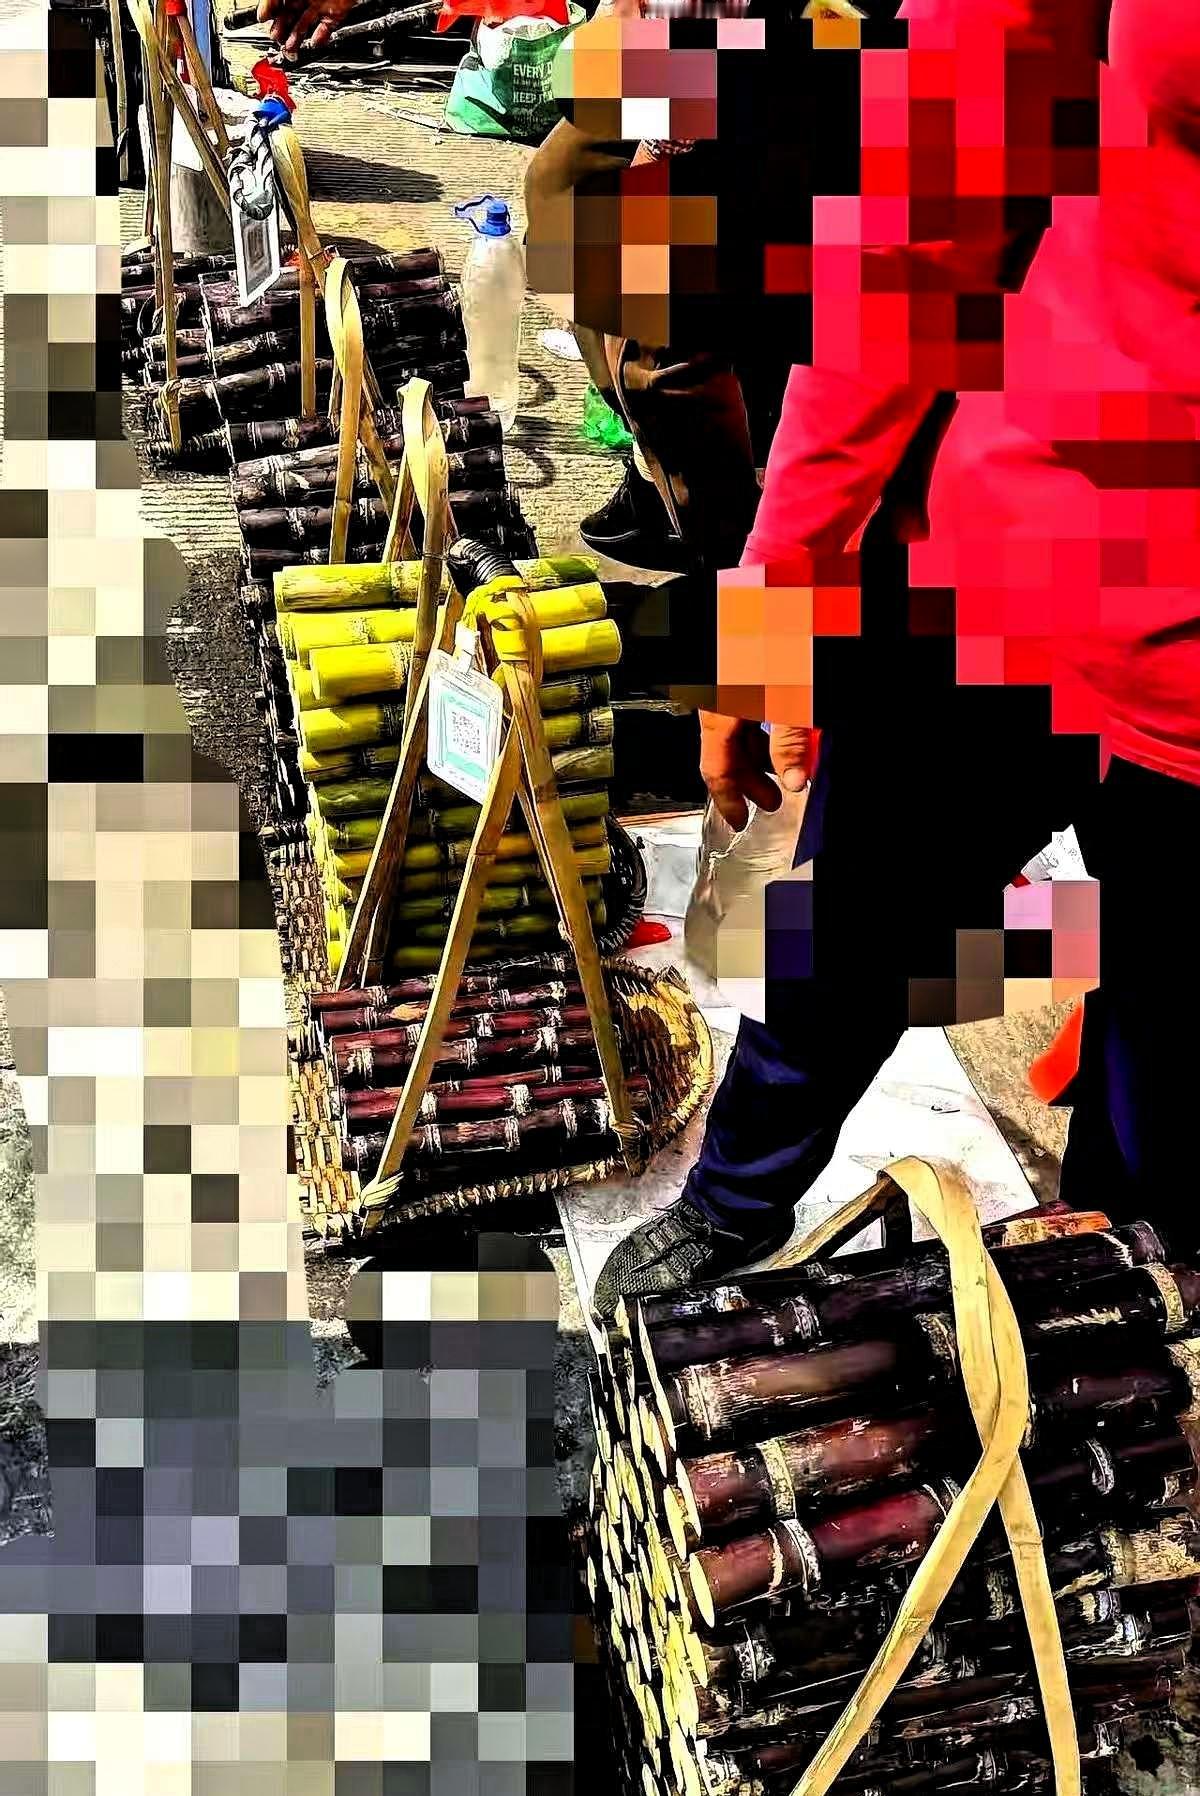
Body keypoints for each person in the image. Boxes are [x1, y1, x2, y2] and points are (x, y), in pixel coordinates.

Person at [594, 0, 1200, 1313]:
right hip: (1013, 565)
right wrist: (774, 598)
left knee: (1163, 1133)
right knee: (848, 934)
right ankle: (734, 1196)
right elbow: (924, 217)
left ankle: (1104, 1304)